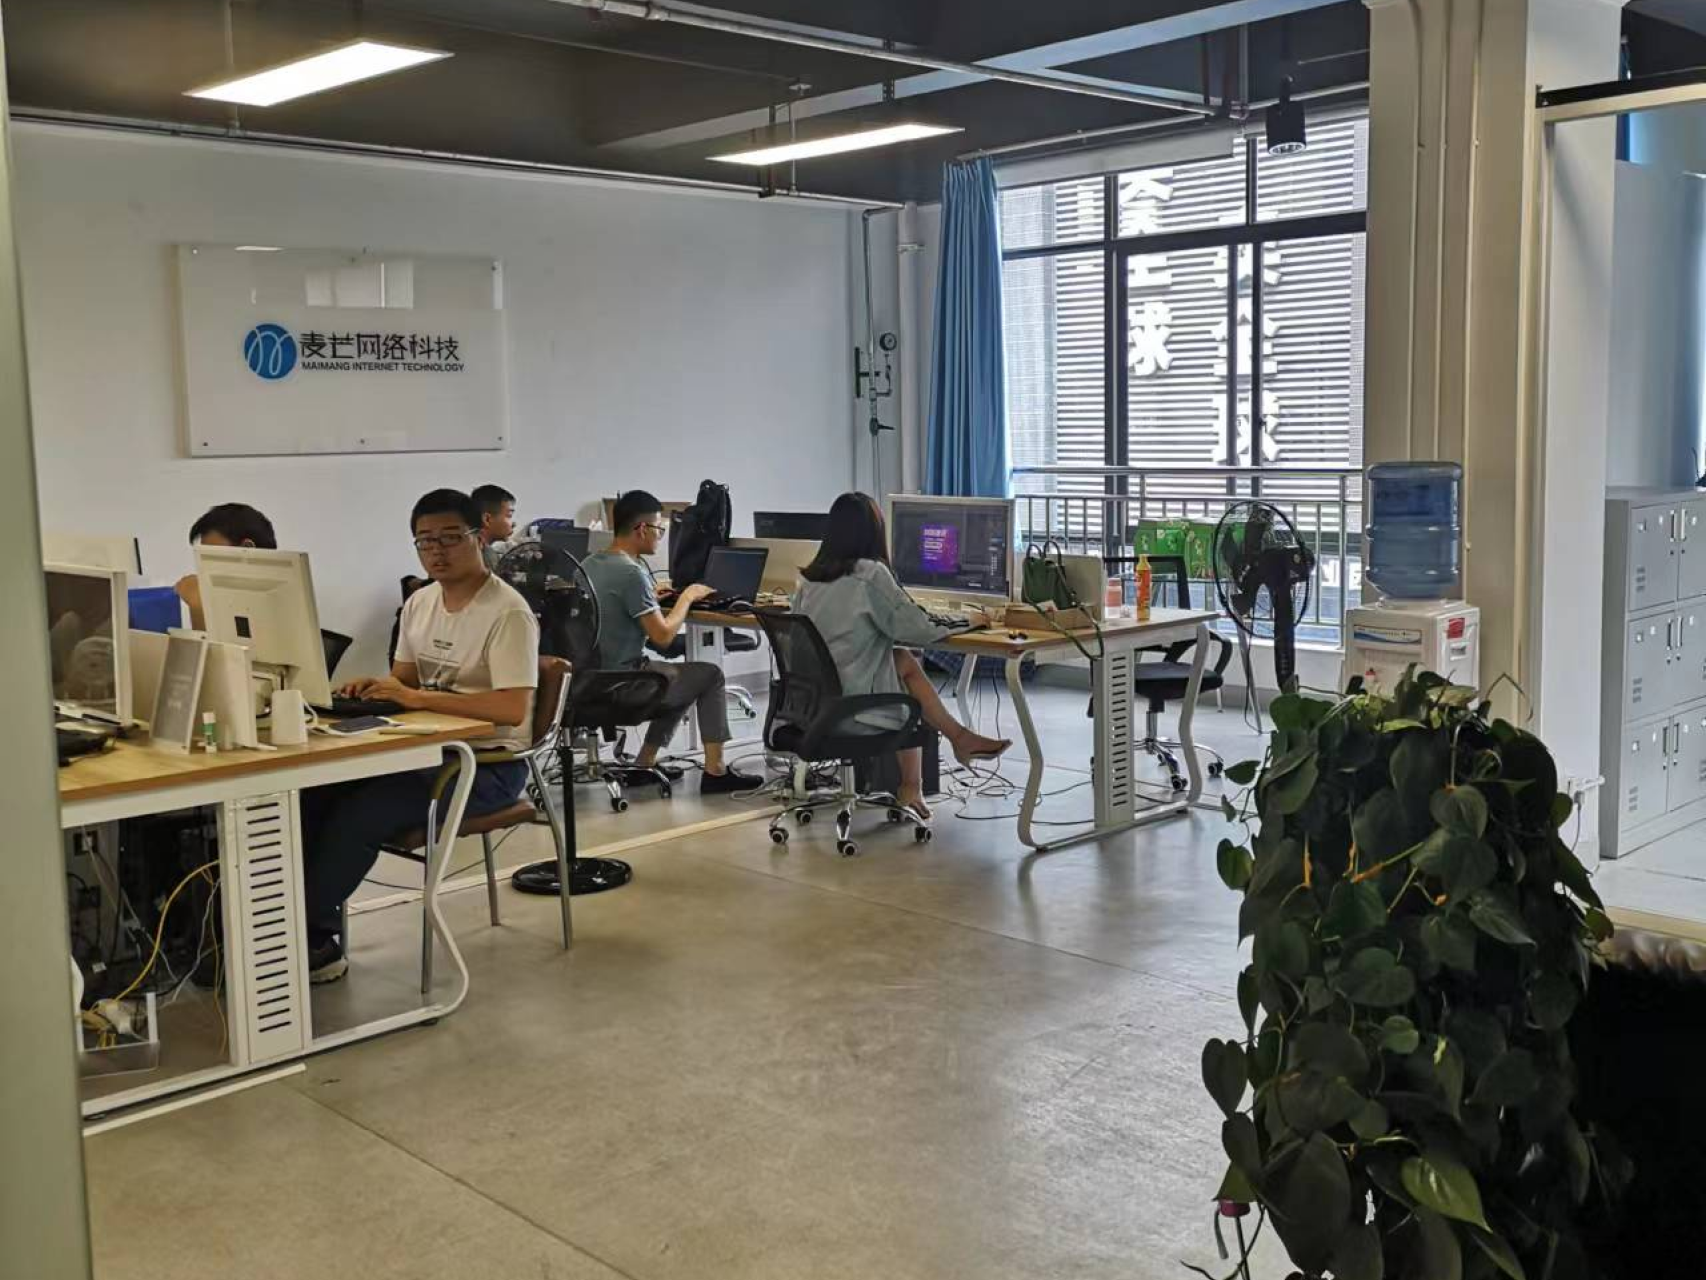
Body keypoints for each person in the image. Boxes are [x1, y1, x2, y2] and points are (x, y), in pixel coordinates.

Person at [298, 489, 540, 983]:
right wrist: (379, 688)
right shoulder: (420, 603)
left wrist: (417, 698)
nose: (436, 550)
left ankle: (297, 934)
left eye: (450, 538)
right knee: (314, 794)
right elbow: (405, 680)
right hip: (429, 752)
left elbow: (510, 709)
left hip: (487, 767)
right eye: (425, 541)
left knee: (363, 812)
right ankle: (309, 934)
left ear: (479, 537)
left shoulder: (507, 613)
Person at [793, 492, 1010, 818]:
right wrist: (970, 620)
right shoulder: (869, 574)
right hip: (853, 710)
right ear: (872, 532)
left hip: (813, 708)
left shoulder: (808, 580)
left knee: (903, 661)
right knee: (906, 678)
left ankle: (921, 777)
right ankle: (953, 745)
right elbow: (917, 626)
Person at [581, 489, 759, 795]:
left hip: (593, 679)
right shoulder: (631, 574)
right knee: (708, 675)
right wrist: (686, 598)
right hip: (626, 682)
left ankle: (645, 763)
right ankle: (715, 771)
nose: (661, 537)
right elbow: (663, 637)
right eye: (659, 529)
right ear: (641, 529)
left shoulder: (588, 564)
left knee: (682, 677)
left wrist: (651, 597)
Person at [177, 503, 277, 628]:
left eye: (212, 557)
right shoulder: (231, 605)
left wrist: (198, 605)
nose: (206, 571)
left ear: (247, 550)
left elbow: (214, 643)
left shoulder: (282, 608)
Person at [471, 483, 517, 570]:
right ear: (487, 519)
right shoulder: (485, 556)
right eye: (509, 516)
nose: (514, 524)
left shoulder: (465, 547)